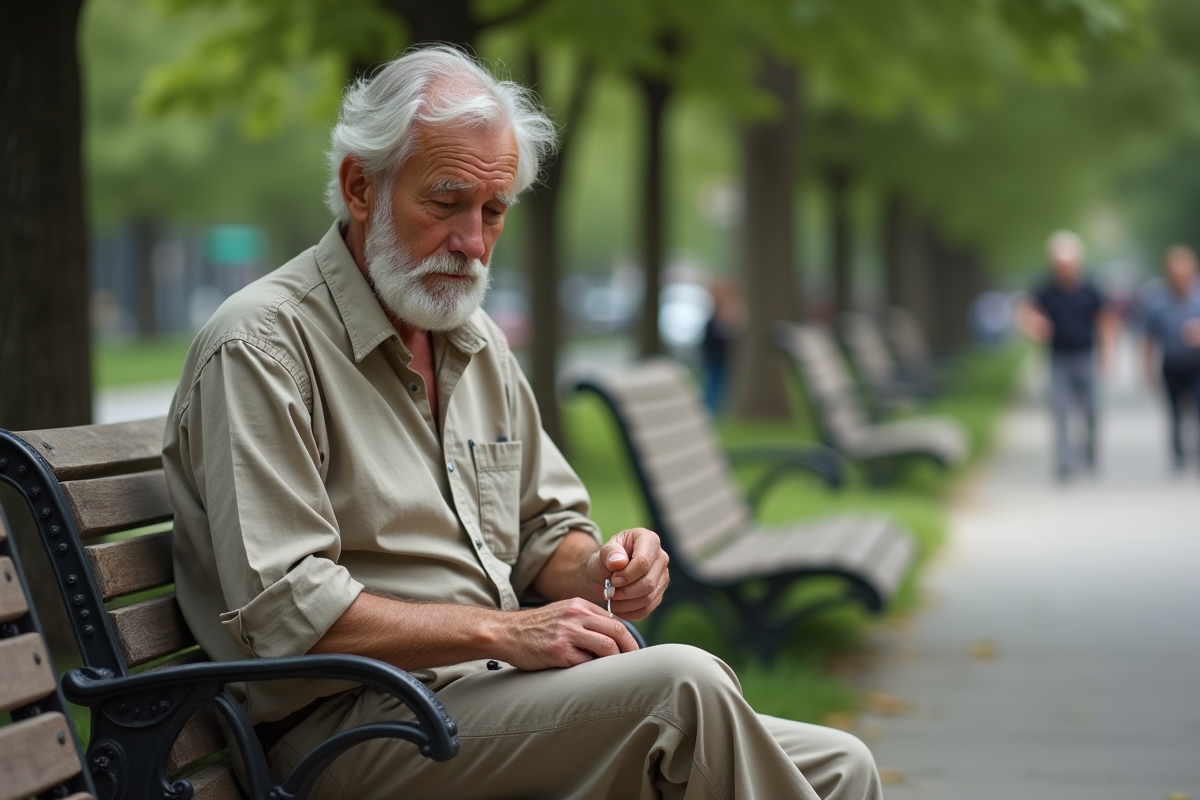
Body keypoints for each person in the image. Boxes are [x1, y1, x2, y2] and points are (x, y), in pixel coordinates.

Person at [162, 46, 881, 800]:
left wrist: (605, 568)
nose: (472, 243)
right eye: (446, 204)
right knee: (682, 691)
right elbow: (286, 610)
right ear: (360, 188)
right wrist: (502, 632)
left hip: (490, 700)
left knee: (839, 765)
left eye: (493, 211)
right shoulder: (260, 346)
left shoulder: (474, 342)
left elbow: (545, 531)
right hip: (348, 734)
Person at [1018, 230, 1117, 481]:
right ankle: (1064, 462)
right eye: (1060, 265)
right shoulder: (1045, 290)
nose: (1065, 269)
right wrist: (1033, 324)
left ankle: (1090, 452)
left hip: (1086, 356)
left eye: (1069, 264)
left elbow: (1105, 321)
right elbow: (1026, 312)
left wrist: (1107, 354)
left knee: (1093, 409)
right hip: (1058, 359)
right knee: (1060, 410)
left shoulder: (1090, 289)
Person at [1141, 245, 1200, 470]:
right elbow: (1148, 338)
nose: (1181, 279)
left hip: (1197, 366)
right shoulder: (1157, 302)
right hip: (1172, 366)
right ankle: (1178, 455)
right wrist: (1146, 369)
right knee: (1175, 414)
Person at [700, 277, 744, 414]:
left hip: (721, 359)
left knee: (719, 387)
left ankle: (713, 411)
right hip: (714, 359)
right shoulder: (715, 317)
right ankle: (709, 411)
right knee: (713, 387)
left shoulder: (724, 314)